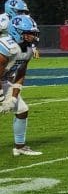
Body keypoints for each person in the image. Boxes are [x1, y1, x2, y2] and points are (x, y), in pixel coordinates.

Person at [0, 15, 42, 156]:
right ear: (17, 32)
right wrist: (0, 96)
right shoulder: (6, 47)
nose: (33, 36)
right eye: (29, 33)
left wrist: (13, 96)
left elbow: (20, 74)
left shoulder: (27, 50)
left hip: (4, 79)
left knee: (22, 109)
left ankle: (20, 147)